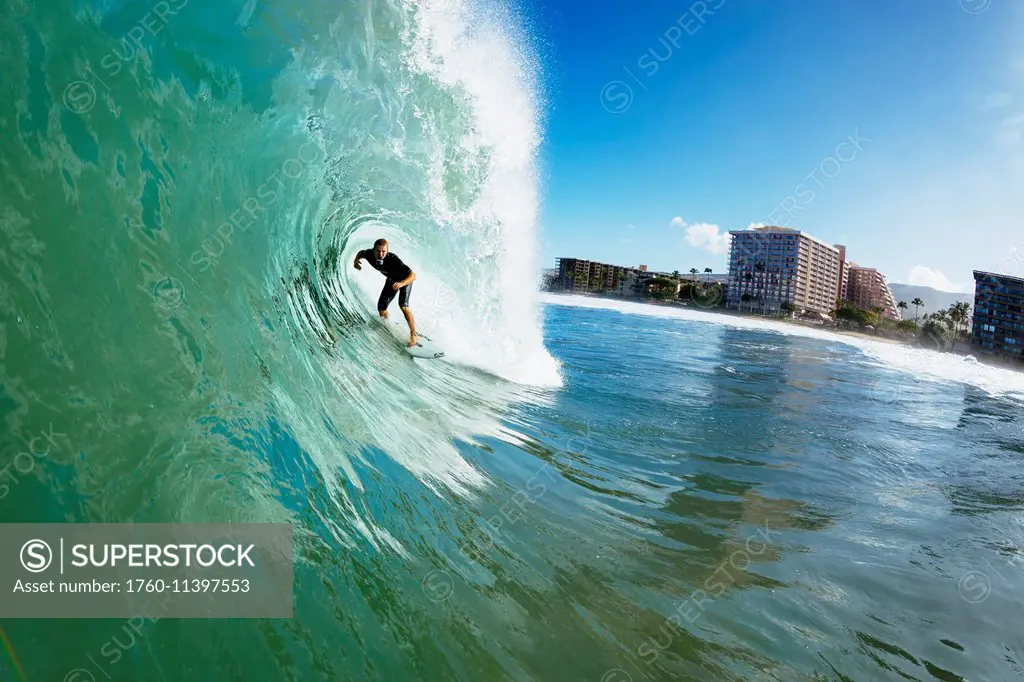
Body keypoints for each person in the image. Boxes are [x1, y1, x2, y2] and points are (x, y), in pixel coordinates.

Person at [353, 238, 417, 346]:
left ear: (387, 251)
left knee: (403, 306)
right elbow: (361, 253)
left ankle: (414, 335)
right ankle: (388, 324)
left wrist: (401, 284)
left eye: (384, 251)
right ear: (373, 250)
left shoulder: (393, 259)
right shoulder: (369, 254)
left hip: (404, 280)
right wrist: (356, 261)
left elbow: (413, 276)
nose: (381, 254)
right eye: (378, 251)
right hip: (392, 280)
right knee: (381, 308)